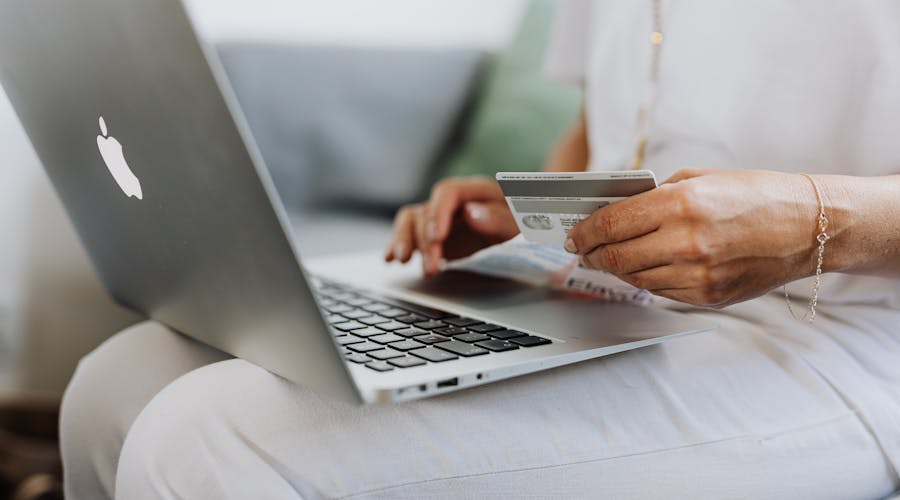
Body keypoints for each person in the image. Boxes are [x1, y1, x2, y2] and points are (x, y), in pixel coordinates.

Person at [60, 1, 900, 499]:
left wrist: (812, 218)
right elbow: (599, 127)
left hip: (833, 335)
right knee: (119, 381)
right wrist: (538, 208)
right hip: (618, 298)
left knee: (203, 439)